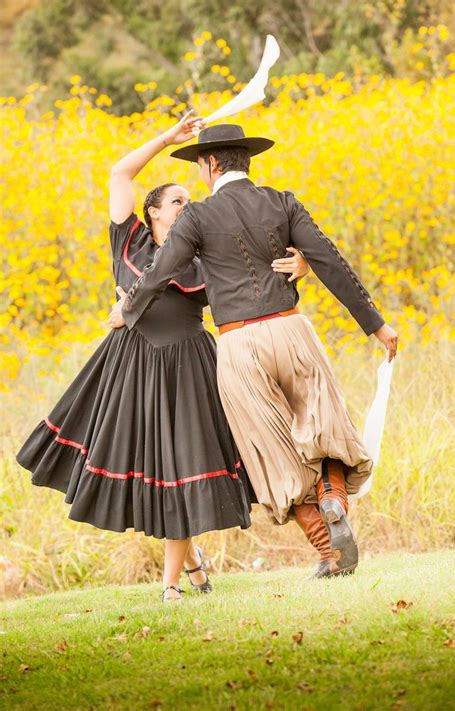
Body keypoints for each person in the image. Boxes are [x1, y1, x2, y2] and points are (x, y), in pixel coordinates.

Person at [16, 114, 310, 601]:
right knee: (154, 473)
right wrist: (167, 140)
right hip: (129, 369)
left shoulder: (205, 255)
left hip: (189, 369)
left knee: (181, 471)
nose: (186, 207)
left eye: (189, 201)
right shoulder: (128, 240)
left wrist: (301, 265)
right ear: (152, 212)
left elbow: (256, 285)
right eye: (177, 201)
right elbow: (119, 174)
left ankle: (171, 586)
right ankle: (195, 570)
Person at [109, 123, 399, 578]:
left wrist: (128, 310)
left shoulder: (198, 216)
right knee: (324, 425)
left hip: (239, 344)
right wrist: (376, 325)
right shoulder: (282, 201)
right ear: (245, 161)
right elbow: (327, 257)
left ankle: (328, 550)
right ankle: (334, 500)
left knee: (272, 451)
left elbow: (161, 268)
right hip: (290, 330)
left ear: (211, 164)